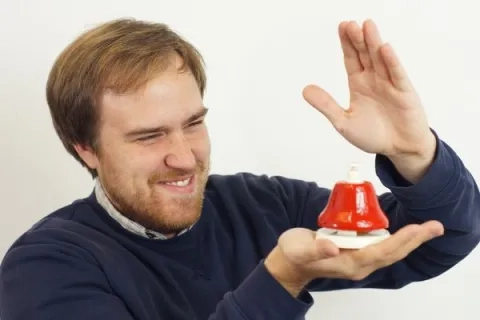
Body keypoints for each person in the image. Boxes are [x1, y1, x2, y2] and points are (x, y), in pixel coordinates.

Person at [0, 17, 478, 320]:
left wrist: (414, 153)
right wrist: (280, 280)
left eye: (193, 124)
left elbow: (442, 240)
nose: (184, 157)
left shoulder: (261, 205)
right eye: (149, 136)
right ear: (85, 148)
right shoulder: (45, 267)